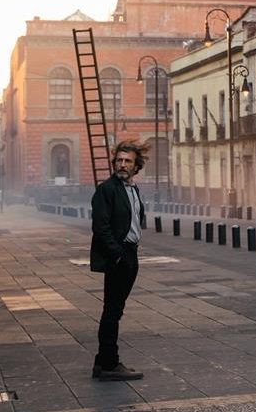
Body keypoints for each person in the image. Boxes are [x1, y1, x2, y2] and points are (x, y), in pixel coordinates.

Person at [89, 140, 148, 381]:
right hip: (119, 255)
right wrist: (118, 255)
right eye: (119, 160)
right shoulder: (107, 189)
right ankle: (109, 364)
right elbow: (100, 228)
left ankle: (103, 361)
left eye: (128, 161)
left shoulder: (132, 189)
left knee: (116, 309)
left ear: (136, 167)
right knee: (112, 310)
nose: (122, 165)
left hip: (130, 252)